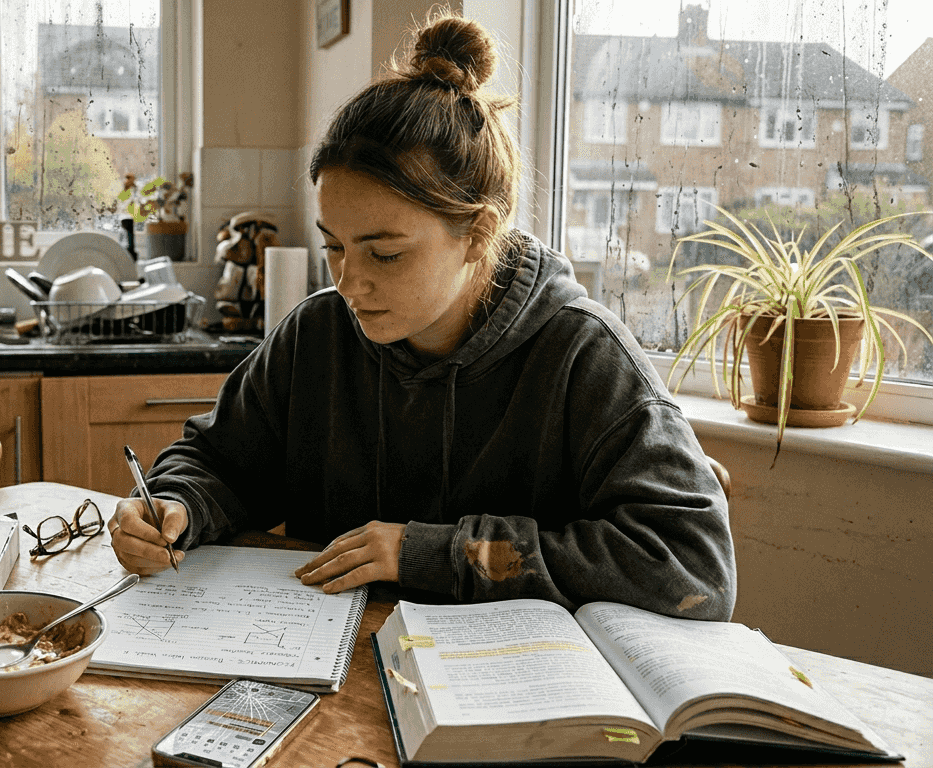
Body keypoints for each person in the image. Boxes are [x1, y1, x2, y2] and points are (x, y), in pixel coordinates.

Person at [109, 11, 736, 620]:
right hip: (329, 665)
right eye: (334, 246)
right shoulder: (316, 335)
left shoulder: (583, 354)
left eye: (385, 253)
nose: (348, 283)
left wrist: (435, 552)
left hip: (509, 680)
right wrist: (176, 504)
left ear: (477, 232)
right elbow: (217, 461)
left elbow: (693, 568)